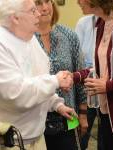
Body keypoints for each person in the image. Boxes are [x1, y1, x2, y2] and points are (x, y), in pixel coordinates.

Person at [0, 0, 77, 149]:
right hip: (7, 140)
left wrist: (56, 104)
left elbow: (37, 79)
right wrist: (55, 81)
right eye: (33, 10)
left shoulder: (28, 37)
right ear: (15, 18)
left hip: (35, 136)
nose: (39, 13)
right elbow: (15, 93)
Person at [76, 0, 113, 149]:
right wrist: (75, 76)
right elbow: (103, 69)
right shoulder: (102, 24)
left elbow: (109, 80)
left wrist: (109, 86)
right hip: (107, 114)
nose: (77, 2)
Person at [34, 0, 88, 150]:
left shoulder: (69, 36)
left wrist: (83, 113)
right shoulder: (27, 39)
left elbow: (81, 75)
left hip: (68, 118)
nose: (45, 8)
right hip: (36, 122)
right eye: (38, 3)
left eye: (48, 2)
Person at [75, 15, 102, 150]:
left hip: (107, 91)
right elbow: (78, 56)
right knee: (82, 137)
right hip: (86, 87)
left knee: (105, 140)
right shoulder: (83, 23)